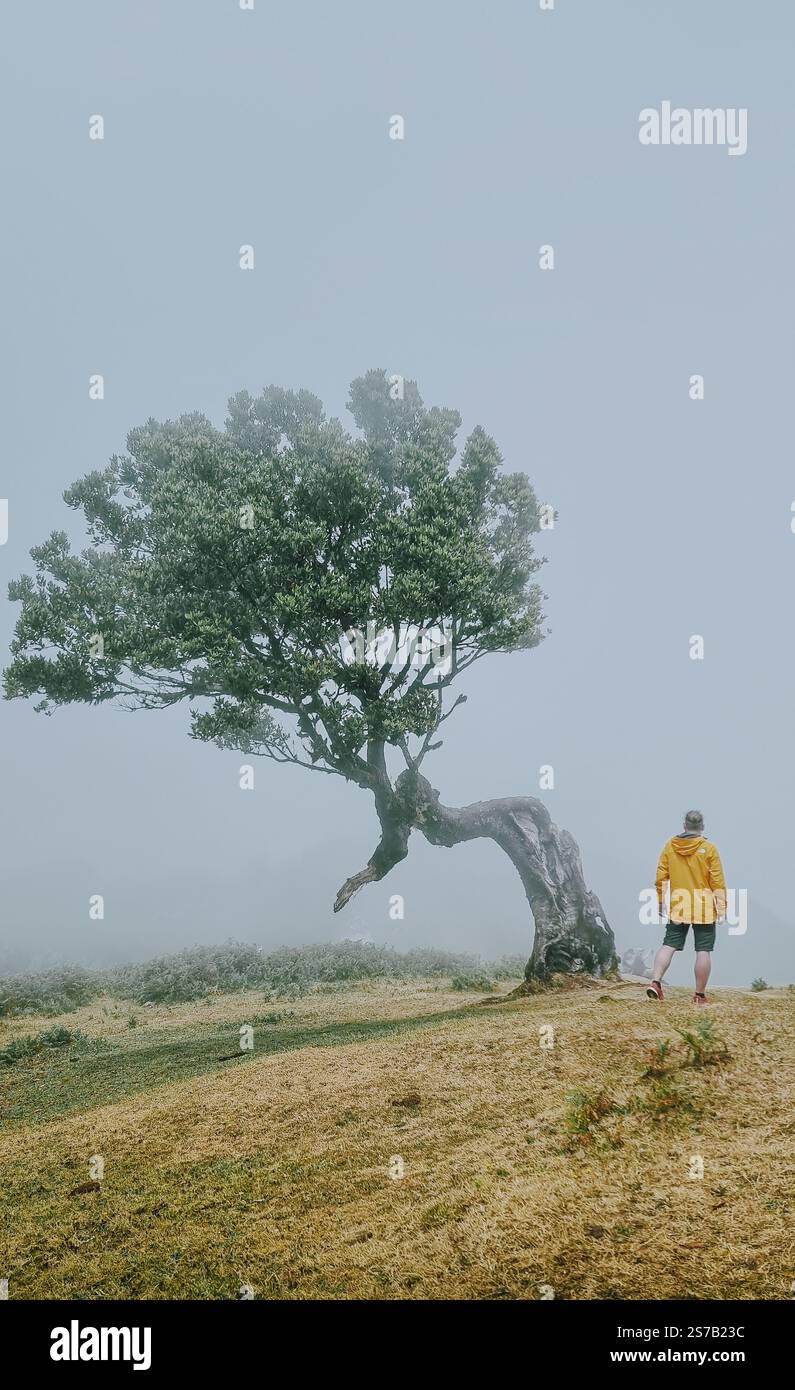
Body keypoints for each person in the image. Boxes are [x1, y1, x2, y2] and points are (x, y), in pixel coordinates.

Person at [647, 810, 726, 1006]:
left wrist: (659, 900)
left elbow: (661, 876)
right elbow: (717, 881)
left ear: (684, 825)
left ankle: (655, 982)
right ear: (702, 827)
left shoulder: (670, 846)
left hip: (678, 904)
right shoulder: (709, 849)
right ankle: (699, 996)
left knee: (669, 944)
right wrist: (722, 907)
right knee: (703, 950)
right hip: (704, 907)